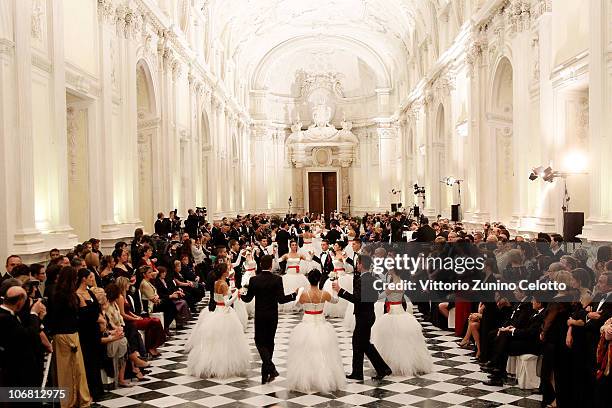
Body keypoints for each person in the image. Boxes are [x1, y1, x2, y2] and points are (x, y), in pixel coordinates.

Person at [186, 262, 250, 378]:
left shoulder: (216, 282)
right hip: (224, 312)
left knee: (214, 341)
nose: (229, 270)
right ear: (224, 272)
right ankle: (223, 365)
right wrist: (236, 293)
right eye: (227, 269)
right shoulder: (223, 284)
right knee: (225, 340)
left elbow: (217, 298)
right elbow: (227, 303)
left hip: (216, 311)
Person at [333, 255, 392, 381]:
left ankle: (363, 372)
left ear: (360, 264)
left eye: (357, 263)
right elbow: (376, 296)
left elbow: (357, 299)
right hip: (369, 314)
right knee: (363, 344)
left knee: (359, 343)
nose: (356, 266)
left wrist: (340, 291)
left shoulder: (362, 280)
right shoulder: (372, 278)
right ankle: (376, 369)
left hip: (364, 316)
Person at [241, 255, 298, 384]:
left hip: (260, 315)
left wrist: (240, 295)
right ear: (271, 266)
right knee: (270, 342)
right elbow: (282, 300)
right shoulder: (277, 279)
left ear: (260, 265)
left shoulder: (254, 280)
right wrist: (294, 294)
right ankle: (267, 372)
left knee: (259, 341)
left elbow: (248, 299)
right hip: (272, 315)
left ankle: (268, 370)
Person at [286, 269, 345, 393]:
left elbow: (297, 306)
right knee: (324, 353)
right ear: (319, 280)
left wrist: (297, 295)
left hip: (307, 322)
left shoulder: (304, 294)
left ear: (309, 279)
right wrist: (335, 289)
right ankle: (324, 378)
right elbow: (336, 300)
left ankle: (307, 378)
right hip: (321, 323)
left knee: (305, 353)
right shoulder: (325, 294)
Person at [371, 268, 433, 376]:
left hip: (393, 313)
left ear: (393, 271)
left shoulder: (392, 285)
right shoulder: (401, 282)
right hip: (400, 310)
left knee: (393, 340)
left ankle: (393, 364)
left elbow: (380, 296)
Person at [47, 266, 92, 408]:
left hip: (69, 334)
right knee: (67, 370)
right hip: (65, 335)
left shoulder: (61, 295)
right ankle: (70, 401)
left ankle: (78, 398)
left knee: (75, 369)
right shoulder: (63, 296)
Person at [0, 285, 46, 387]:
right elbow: (28, 336)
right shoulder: (5, 318)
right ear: (20, 302)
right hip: (16, 372)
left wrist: (39, 318)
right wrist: (34, 313)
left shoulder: (9, 314)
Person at [75, 269, 104, 399]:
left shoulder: (90, 292)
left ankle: (98, 389)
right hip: (86, 331)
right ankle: (90, 391)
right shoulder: (77, 295)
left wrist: (101, 320)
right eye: (90, 277)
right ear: (83, 279)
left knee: (96, 360)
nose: (93, 279)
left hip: (95, 330)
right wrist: (98, 319)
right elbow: (83, 315)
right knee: (88, 361)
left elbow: (97, 308)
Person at [276, 241, 309, 312]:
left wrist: (311, 255)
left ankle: (299, 303)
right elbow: (278, 260)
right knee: (289, 288)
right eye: (292, 245)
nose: (294, 246)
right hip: (290, 274)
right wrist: (274, 254)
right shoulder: (287, 255)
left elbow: (309, 259)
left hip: (298, 274)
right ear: (290, 246)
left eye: (295, 245)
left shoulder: (300, 255)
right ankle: (290, 303)